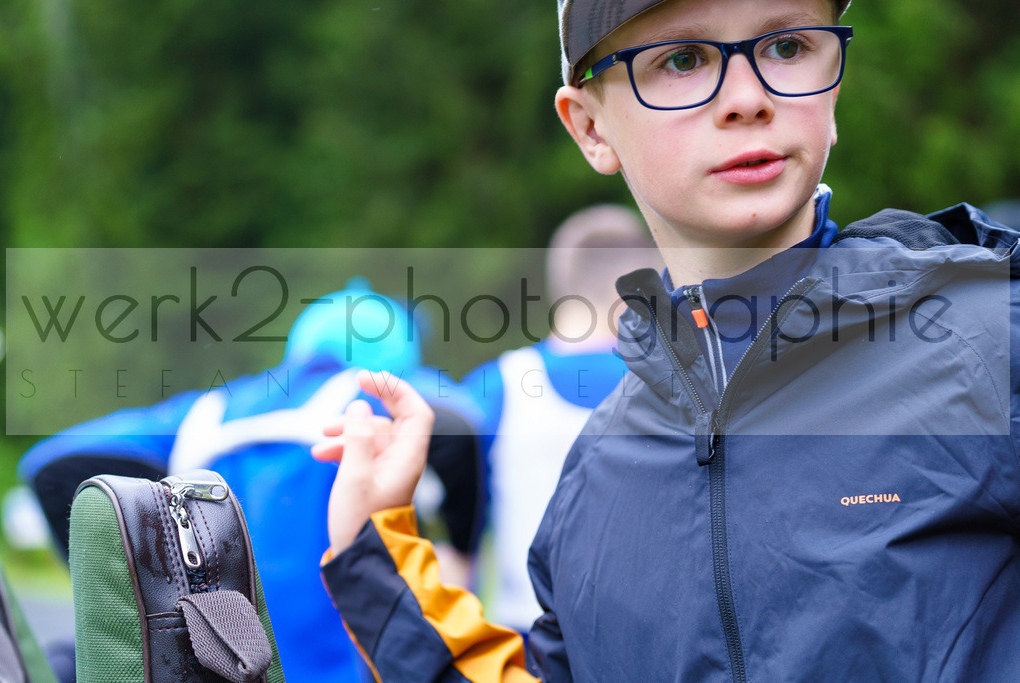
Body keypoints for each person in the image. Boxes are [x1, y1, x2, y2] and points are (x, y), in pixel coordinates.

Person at [313, 0, 1020, 680]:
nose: (747, 97)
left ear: (833, 85)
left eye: (787, 46)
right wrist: (376, 555)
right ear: (590, 127)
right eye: (682, 59)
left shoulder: (988, 342)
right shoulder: (596, 475)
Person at [20, 280, 484, 682]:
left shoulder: (213, 410)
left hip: (226, 662)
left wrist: (139, 585)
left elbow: (53, 465)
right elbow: (460, 424)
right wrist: (461, 550)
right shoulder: (369, 396)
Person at [463, 204, 657, 631]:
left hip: (524, 642)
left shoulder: (494, 387)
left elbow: (458, 540)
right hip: (649, 642)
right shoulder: (674, 383)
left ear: (562, 285)